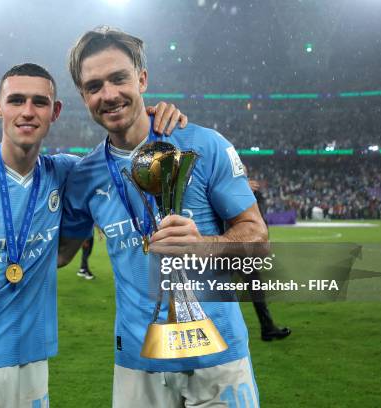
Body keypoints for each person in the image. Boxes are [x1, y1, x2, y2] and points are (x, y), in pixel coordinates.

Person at [0, 63, 186, 407]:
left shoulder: (68, 172)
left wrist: (153, 117)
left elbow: (121, 152)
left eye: (40, 102)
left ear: (55, 112)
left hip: (30, 361)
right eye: (16, 100)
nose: (27, 112)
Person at [59, 27, 268, 407]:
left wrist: (203, 246)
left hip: (218, 358)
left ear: (142, 79)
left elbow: (257, 238)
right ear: (82, 96)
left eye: (119, 78)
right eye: (94, 86)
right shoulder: (84, 176)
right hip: (139, 364)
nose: (108, 94)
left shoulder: (204, 144)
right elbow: (59, 254)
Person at [244, 174, 291, 341]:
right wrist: (241, 189)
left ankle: (267, 327)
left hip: (242, 248)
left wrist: (264, 239)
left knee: (255, 286)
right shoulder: (231, 189)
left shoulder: (251, 193)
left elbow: (259, 219)